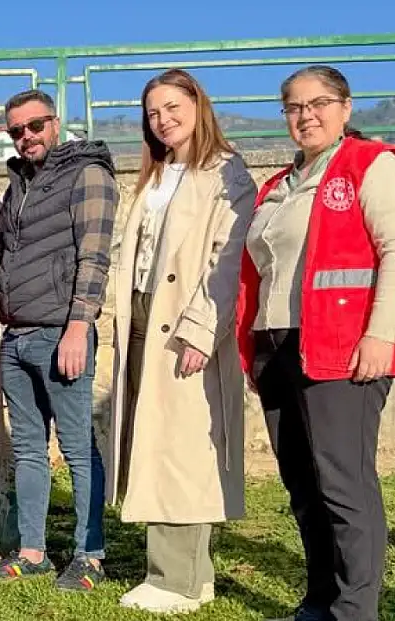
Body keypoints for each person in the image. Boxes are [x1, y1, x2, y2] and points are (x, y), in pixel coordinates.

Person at [236, 65, 395, 621]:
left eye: (319, 103)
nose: (306, 115)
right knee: (303, 485)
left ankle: (356, 609)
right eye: (294, 107)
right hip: (276, 347)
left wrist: (382, 334)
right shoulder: (279, 185)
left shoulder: (370, 165)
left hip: (342, 348)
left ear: (347, 108)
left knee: (343, 482)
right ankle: (321, 601)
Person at [107, 69, 256, 614]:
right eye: (153, 112)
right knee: (155, 441)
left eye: (172, 106)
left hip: (188, 322)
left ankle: (176, 581)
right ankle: (194, 574)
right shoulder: (158, 173)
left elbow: (228, 258)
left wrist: (201, 329)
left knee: (182, 449)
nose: (163, 119)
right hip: (146, 316)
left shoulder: (227, 174)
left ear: (198, 104)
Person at [0, 89, 117, 590]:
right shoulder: (18, 187)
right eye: (16, 131)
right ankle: (33, 551)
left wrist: (79, 326)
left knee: (77, 447)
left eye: (34, 126)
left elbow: (94, 258)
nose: (26, 137)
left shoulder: (88, 174)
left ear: (56, 123)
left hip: (61, 333)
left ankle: (89, 554)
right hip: (16, 337)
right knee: (30, 450)